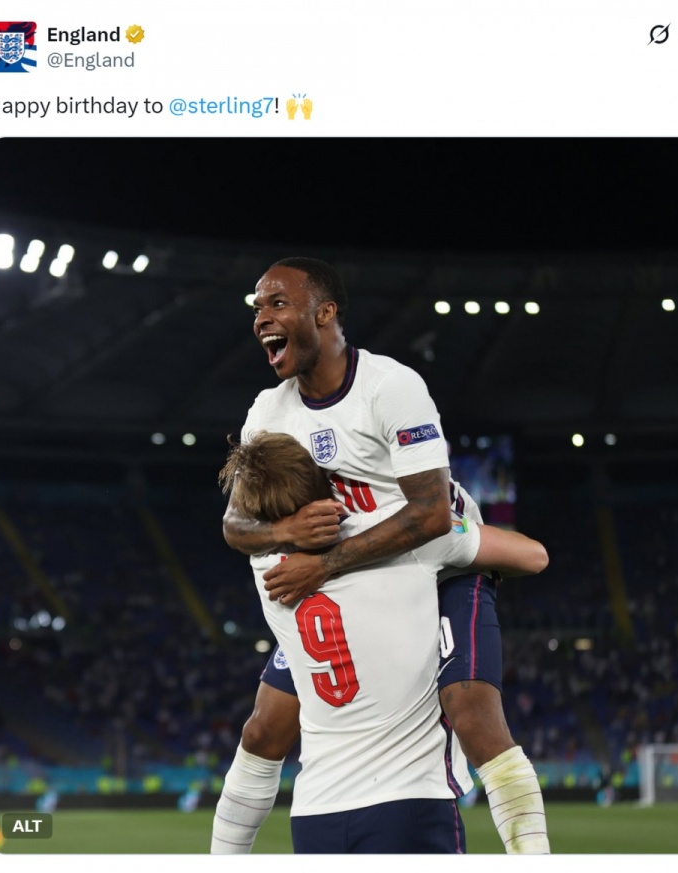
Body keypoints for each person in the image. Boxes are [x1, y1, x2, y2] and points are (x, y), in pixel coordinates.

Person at [212, 257, 550, 855]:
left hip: (439, 562)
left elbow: (429, 515)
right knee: (265, 728)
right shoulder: (267, 411)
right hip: (349, 571)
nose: (261, 316)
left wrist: (324, 563)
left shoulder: (389, 387)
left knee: (470, 711)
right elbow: (236, 525)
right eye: (257, 306)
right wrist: (287, 529)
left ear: (325, 312)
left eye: (277, 303)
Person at [217, 430, 490, 853]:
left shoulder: (263, 561)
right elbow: (532, 555)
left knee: (480, 722)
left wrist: (290, 536)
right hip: (396, 798)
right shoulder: (396, 529)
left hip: (319, 808)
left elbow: (234, 529)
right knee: (261, 731)